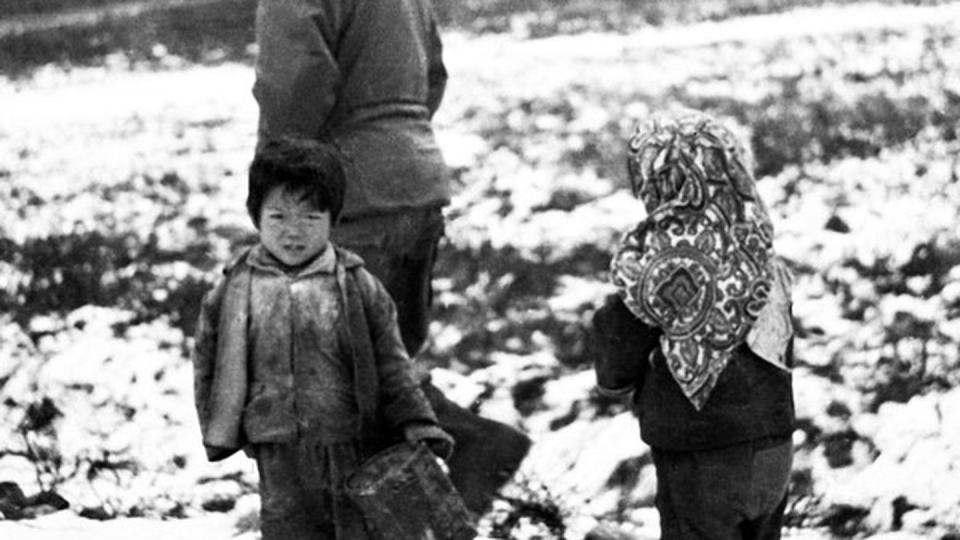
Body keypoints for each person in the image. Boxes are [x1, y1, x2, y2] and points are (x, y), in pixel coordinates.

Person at [252, 0, 530, 514]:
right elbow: (433, 75)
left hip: (350, 203)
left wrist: (276, 186)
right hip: (417, 189)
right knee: (381, 367)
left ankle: (466, 443)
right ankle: (421, 503)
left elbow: (293, 88)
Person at [191, 138, 455, 539]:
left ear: (334, 220)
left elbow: (392, 362)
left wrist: (416, 420)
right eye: (278, 217)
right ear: (255, 216)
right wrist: (221, 425)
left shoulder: (356, 284)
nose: (293, 232)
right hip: (276, 446)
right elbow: (207, 361)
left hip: (350, 441)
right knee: (288, 529)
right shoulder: (234, 289)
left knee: (358, 530)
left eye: (310, 218)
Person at [593, 111, 797, 540]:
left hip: (701, 459)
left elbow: (616, 361)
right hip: (774, 446)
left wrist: (616, 376)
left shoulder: (658, 266)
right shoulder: (761, 251)